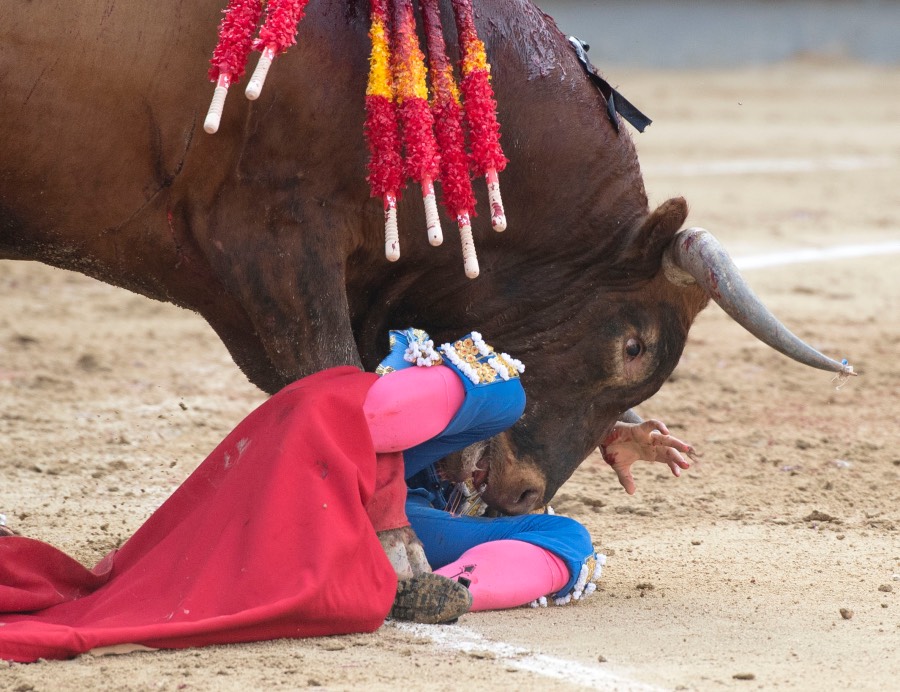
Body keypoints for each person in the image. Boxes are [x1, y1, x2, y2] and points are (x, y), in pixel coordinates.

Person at [0, 328, 694, 662]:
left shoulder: (460, 447)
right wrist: (608, 421)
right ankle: (410, 577)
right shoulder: (484, 406)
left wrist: (605, 427)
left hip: (361, 516)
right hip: (333, 470)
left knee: (568, 535)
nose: (493, 480)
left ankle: (425, 591)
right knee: (499, 389)